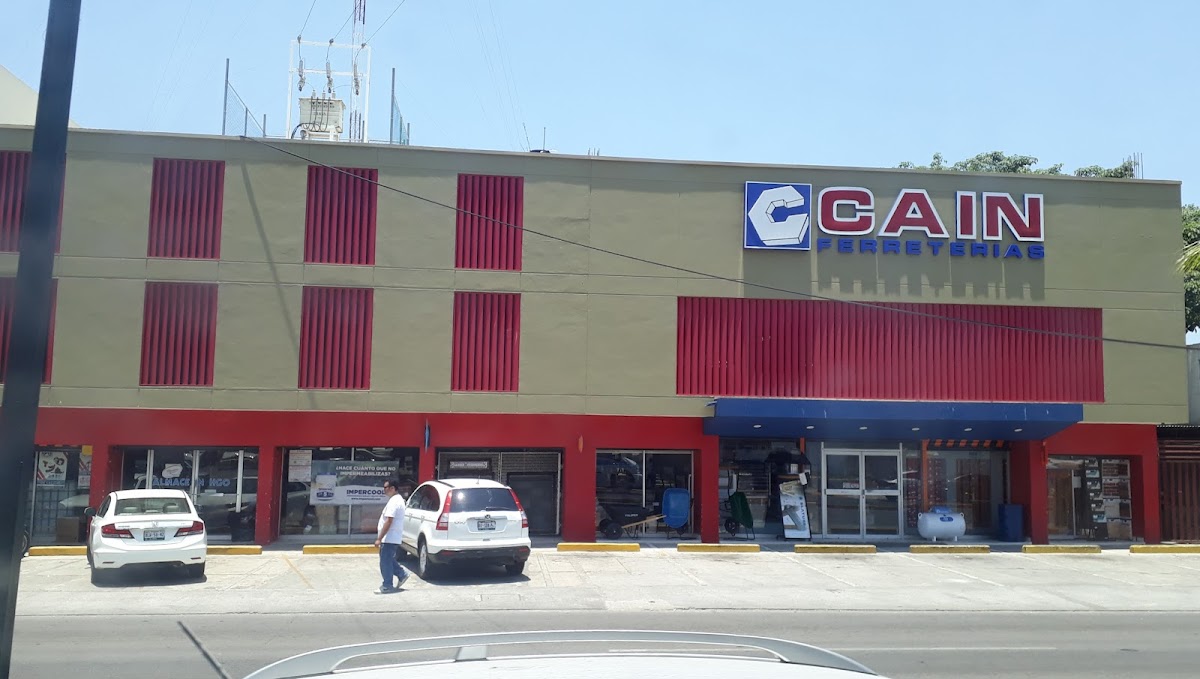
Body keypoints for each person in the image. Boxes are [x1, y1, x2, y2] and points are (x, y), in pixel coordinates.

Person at [374, 478, 410, 593]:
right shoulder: (396, 500)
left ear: (393, 488)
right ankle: (402, 574)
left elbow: (389, 521)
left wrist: (379, 538)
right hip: (391, 537)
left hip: (389, 537)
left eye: (386, 487)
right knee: (388, 559)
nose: (384, 490)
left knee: (385, 562)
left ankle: (387, 585)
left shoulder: (394, 502)